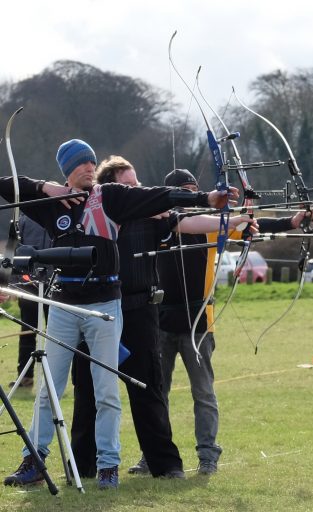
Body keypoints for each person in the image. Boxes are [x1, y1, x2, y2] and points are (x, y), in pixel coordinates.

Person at [0, 139, 234, 490]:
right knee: (50, 390)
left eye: (91, 162)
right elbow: (8, 185)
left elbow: (158, 196)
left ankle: (109, 466)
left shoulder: (109, 195)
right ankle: (34, 460)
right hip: (65, 306)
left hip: (105, 306)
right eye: (80, 164)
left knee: (106, 389)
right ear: (67, 170)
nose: (88, 168)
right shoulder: (52, 204)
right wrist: (46, 187)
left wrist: (204, 200)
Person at [69, 156, 251, 480]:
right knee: (88, 390)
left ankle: (165, 465)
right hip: (97, 309)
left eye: (137, 184)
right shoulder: (94, 216)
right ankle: (83, 466)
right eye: (128, 186)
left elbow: (192, 222)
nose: (136, 190)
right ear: (110, 190)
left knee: (149, 388)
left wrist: (235, 219)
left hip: (139, 310)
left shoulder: (152, 216)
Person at [150, 168, 313, 476]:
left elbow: (251, 227)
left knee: (204, 393)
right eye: (183, 194)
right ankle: (154, 454)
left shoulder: (210, 227)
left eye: (193, 193)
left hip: (199, 324)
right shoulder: (156, 226)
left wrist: (291, 221)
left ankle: (208, 455)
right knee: (158, 393)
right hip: (160, 322)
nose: (191, 202)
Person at [9, 215, 52, 389]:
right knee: (27, 330)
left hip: (55, 283)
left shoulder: (57, 216)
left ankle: (57, 380)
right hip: (28, 284)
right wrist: (11, 283)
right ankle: (25, 378)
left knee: (57, 335)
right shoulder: (22, 220)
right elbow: (12, 251)